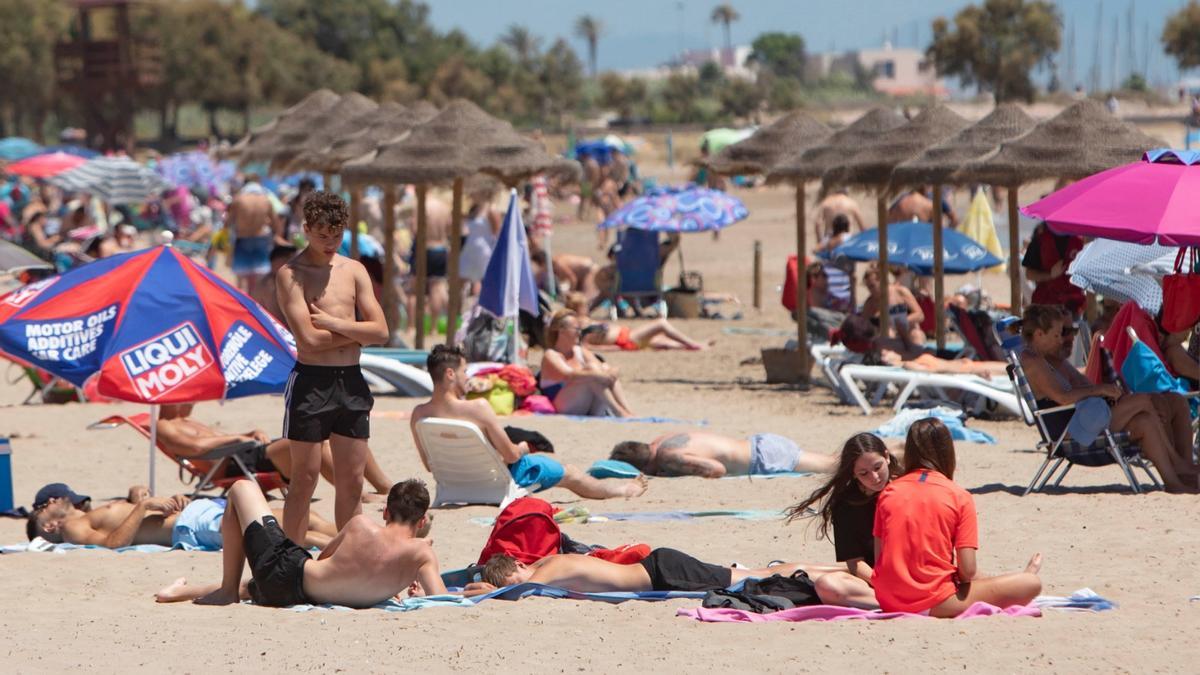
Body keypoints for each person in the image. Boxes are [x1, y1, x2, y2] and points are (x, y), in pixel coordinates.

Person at [275, 191, 390, 543]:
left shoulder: (354, 270)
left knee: (352, 481)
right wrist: (358, 334)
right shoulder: (291, 274)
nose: (329, 243)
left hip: (351, 381)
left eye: (336, 236)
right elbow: (309, 341)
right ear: (306, 229)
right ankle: (288, 559)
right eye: (322, 235)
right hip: (312, 381)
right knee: (304, 480)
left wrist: (336, 325)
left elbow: (382, 332)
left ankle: (347, 556)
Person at [153, 479, 446, 608]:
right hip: (298, 594)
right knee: (257, 585)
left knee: (240, 488)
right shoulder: (422, 553)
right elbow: (443, 600)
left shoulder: (361, 525)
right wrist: (412, 592)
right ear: (421, 522)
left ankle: (226, 590)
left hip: (290, 579)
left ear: (385, 512)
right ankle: (178, 592)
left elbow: (320, 563)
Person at [411, 345, 647, 500]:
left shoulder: (418, 415)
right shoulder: (477, 408)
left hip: (453, 485)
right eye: (464, 371)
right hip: (496, 483)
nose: (468, 377)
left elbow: (429, 465)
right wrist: (523, 446)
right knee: (571, 473)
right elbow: (512, 457)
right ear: (450, 374)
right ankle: (623, 490)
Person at [872, 418, 1042, 617]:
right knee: (1030, 583)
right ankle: (1020, 580)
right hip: (934, 601)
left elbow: (879, 559)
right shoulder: (959, 496)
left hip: (887, 599)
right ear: (948, 452)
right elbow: (968, 571)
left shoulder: (888, 492)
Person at [1020, 304, 1198, 493]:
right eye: (1056, 335)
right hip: (1073, 432)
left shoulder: (1052, 360)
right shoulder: (1033, 363)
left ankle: (1173, 482)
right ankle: (1178, 463)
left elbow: (1082, 385)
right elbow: (1063, 398)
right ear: (1039, 334)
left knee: (1147, 418)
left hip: (1087, 418)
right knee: (1144, 401)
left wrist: (1106, 391)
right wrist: (1100, 389)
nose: (1061, 340)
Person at [154, 403, 394, 501]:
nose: (193, 397)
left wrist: (248, 433)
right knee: (317, 441)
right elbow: (196, 448)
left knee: (338, 433)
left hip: (246, 453)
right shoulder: (164, 426)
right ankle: (355, 493)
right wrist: (239, 438)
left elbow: (213, 441)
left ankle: (383, 485)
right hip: (238, 463)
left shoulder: (186, 420)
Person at [784, 433, 900, 608]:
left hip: (913, 571)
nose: (874, 477)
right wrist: (881, 582)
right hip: (874, 577)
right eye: (863, 473)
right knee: (825, 582)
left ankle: (898, 601)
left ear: (887, 457)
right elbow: (855, 562)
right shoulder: (847, 505)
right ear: (853, 474)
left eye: (878, 467)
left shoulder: (907, 487)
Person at [28, 485, 336, 549]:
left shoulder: (87, 513)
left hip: (194, 511)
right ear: (49, 526)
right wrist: (143, 506)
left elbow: (121, 520)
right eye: (45, 508)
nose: (53, 502)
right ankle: (350, 546)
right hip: (191, 525)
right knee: (293, 527)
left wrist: (137, 496)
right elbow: (112, 543)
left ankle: (354, 537)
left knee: (307, 517)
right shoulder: (71, 528)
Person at [477, 549, 839, 595]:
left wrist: (472, 592)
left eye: (517, 578)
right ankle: (839, 567)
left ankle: (842, 567)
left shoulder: (551, 567)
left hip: (663, 573)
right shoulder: (546, 563)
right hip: (659, 568)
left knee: (754, 577)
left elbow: (514, 593)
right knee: (748, 573)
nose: (522, 584)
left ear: (521, 566)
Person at [610, 430, 835, 478]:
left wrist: (667, 473)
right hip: (760, 443)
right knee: (833, 461)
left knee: (836, 467)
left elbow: (717, 470)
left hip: (764, 459)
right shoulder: (660, 440)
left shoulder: (668, 457)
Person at [539, 310, 636, 417]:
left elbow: (600, 368)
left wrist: (612, 371)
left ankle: (627, 411)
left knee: (601, 368)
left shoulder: (579, 351)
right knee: (591, 373)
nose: (579, 333)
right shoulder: (551, 355)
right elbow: (568, 375)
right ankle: (618, 411)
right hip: (564, 406)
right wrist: (597, 374)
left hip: (585, 404)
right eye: (576, 329)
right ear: (561, 330)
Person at [563, 292, 708, 351]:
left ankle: (690, 345)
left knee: (660, 342)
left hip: (626, 337)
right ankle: (693, 344)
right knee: (661, 324)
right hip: (625, 338)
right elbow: (586, 347)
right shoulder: (579, 325)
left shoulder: (583, 322)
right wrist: (615, 349)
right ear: (577, 308)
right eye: (584, 306)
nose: (588, 307)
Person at [228, 179, 285, 293]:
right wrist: (278, 236)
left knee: (241, 279)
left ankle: (242, 305)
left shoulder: (238, 199)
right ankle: (255, 304)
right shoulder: (265, 200)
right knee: (259, 279)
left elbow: (229, 221)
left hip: (242, 238)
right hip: (261, 238)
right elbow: (276, 222)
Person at [1022, 221, 1085, 317]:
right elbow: (1029, 274)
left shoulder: (1080, 241)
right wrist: (1050, 275)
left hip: (1073, 305)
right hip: (1046, 306)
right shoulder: (1040, 240)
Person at [861, 267, 926, 345]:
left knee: (916, 335)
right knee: (888, 334)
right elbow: (864, 326)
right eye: (868, 287)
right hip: (887, 336)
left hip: (908, 332)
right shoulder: (870, 303)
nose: (870, 290)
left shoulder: (900, 292)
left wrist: (900, 322)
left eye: (872, 286)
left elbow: (920, 315)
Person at [250, 245, 296, 323]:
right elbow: (279, 318)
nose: (294, 265)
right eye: (289, 260)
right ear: (276, 262)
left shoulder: (270, 280)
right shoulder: (269, 284)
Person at [888, 185, 959, 228]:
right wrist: (948, 232)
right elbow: (954, 220)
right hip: (928, 239)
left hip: (905, 238)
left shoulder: (902, 200)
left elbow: (889, 220)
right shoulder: (935, 200)